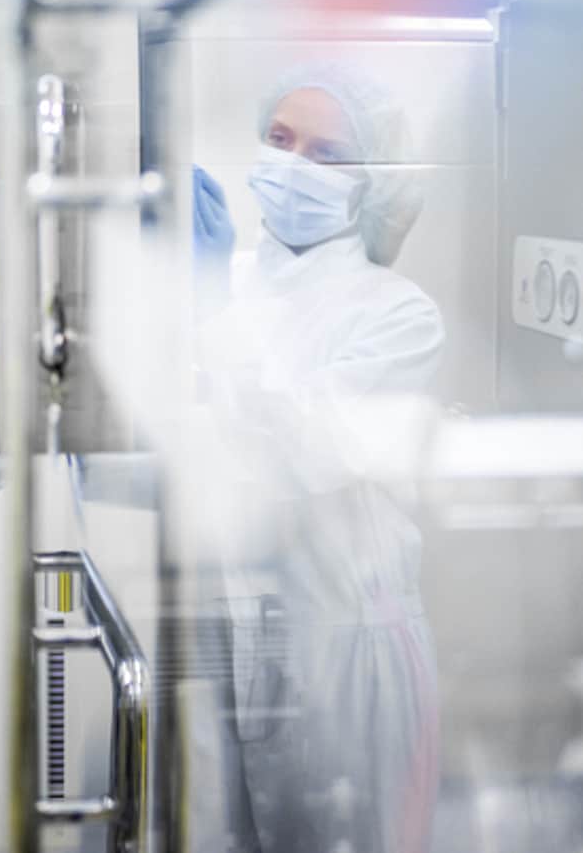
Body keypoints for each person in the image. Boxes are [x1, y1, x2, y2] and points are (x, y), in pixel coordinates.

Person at [191, 62, 445, 853]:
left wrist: (207, 317)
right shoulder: (223, 287)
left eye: (326, 154)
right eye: (279, 139)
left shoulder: (400, 315)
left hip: (350, 661)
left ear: (374, 181)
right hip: (227, 649)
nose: (292, 166)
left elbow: (297, 452)